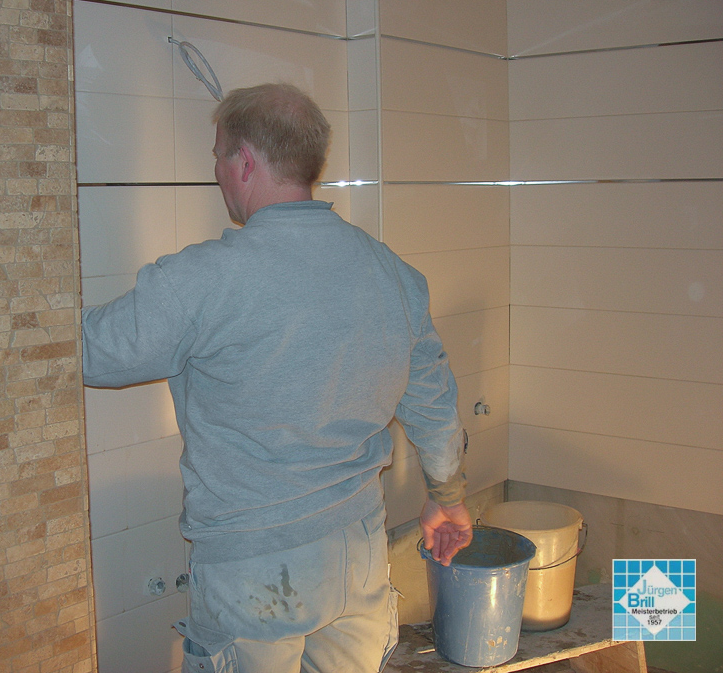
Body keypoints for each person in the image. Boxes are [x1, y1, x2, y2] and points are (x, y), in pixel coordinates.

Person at [81, 83, 472, 673]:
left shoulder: (204, 280)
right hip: (358, 557)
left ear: (244, 161)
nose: (217, 173)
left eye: (219, 156)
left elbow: (87, 352)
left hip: (255, 571)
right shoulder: (392, 274)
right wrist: (448, 500)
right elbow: (435, 407)